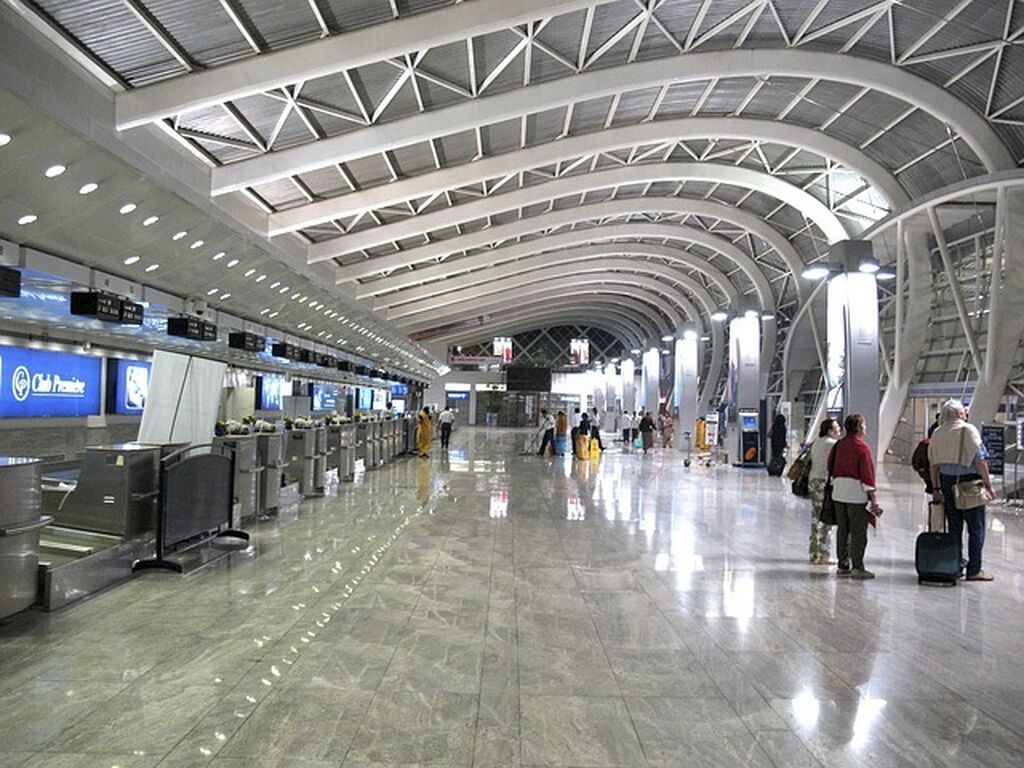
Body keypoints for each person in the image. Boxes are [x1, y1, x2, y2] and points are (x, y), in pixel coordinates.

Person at [928, 400, 996, 581]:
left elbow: (933, 464)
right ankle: (974, 570)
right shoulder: (968, 430)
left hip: (947, 483)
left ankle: (954, 565)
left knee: (954, 527)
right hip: (970, 484)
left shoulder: (937, 432)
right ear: (959, 414)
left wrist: (936, 487)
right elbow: (981, 461)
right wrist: (989, 486)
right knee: (976, 528)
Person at [828, 413, 882, 579]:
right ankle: (857, 566)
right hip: (856, 494)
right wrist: (874, 499)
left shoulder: (838, 445)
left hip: (838, 493)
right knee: (858, 531)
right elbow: (867, 475)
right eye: (864, 425)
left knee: (843, 529)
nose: (865, 428)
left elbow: (830, 466)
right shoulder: (862, 448)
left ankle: (843, 564)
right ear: (859, 428)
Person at [807, 418, 840, 565]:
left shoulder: (816, 442)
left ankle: (814, 553)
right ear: (830, 430)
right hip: (823, 483)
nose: (839, 431)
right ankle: (824, 554)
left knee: (815, 518)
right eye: (836, 428)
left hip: (813, 481)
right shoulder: (832, 445)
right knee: (826, 518)